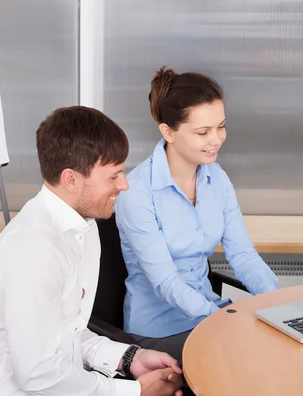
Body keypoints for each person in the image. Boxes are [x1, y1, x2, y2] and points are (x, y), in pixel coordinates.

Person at [0, 106, 183, 396]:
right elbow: (39, 376)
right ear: (71, 179)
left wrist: (129, 358)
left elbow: (68, 334)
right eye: (113, 176)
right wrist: (134, 392)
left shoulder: (84, 226)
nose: (124, 185)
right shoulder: (33, 249)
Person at [114, 68, 278, 361]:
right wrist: (220, 317)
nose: (216, 140)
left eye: (221, 127)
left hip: (207, 317)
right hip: (158, 331)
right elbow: (166, 283)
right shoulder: (137, 192)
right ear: (168, 132)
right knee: (250, 360)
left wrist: (276, 302)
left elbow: (242, 255)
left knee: (282, 348)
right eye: (203, 132)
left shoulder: (217, 178)